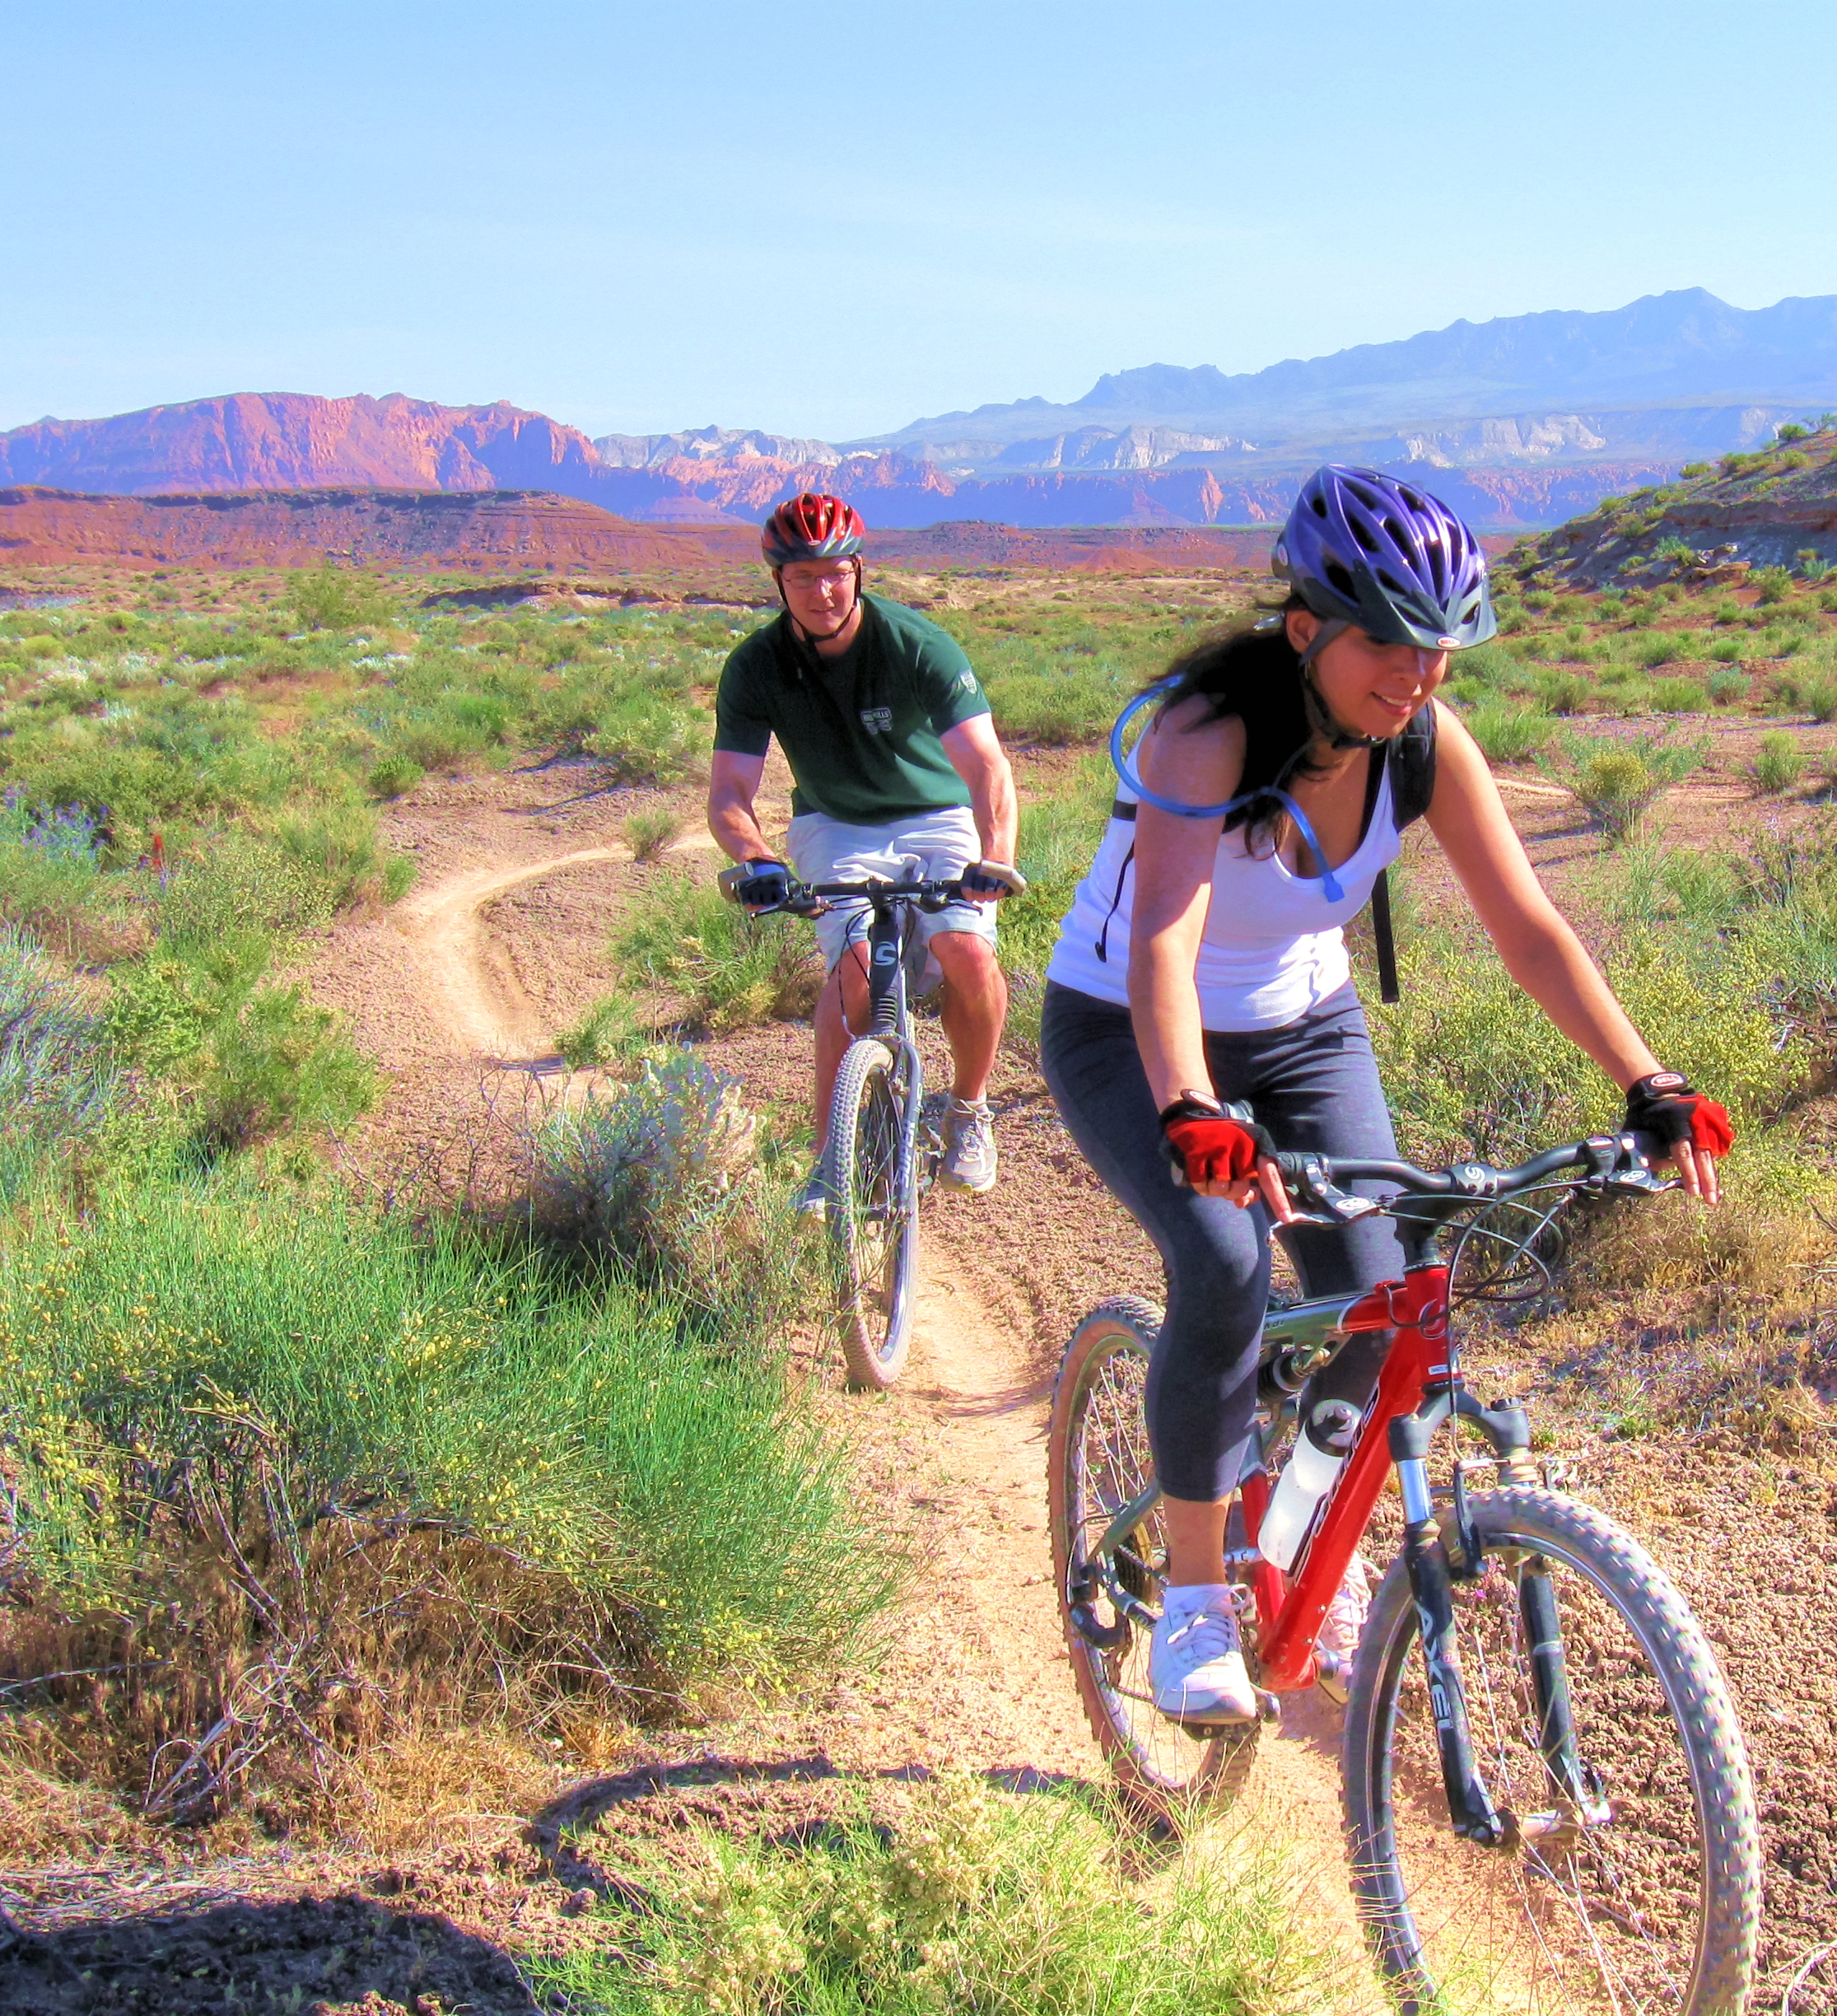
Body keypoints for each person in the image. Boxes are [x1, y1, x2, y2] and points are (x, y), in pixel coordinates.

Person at [1036, 465, 1733, 1724]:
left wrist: (1649, 1077)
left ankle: (1298, 1538)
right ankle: (1192, 1606)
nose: (1415, 677)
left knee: (1383, 1300)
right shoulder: (1205, 735)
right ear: (1305, 630)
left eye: (1440, 652)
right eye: (1389, 646)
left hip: (1305, 1028)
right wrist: (1193, 1107)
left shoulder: (1421, 744)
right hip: (1130, 1029)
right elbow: (1163, 953)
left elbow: (1529, 927)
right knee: (1225, 1266)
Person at [709, 492, 1021, 1202]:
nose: (821, 591)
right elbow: (729, 792)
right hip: (836, 823)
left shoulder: (916, 643)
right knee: (852, 974)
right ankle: (830, 1157)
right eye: (801, 577)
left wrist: (994, 855)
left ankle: (969, 1111)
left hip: (937, 814)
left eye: (834, 573)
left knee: (967, 951)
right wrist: (757, 860)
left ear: (858, 570)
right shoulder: (756, 666)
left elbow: (986, 768)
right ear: (778, 583)